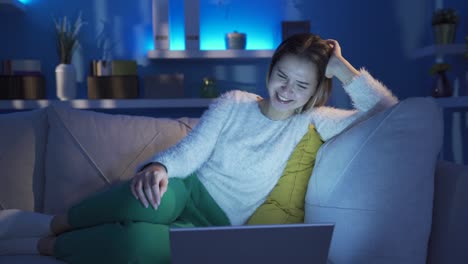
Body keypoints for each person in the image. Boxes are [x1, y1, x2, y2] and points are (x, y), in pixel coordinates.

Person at [0, 33, 398, 263]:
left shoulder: (312, 122)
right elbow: (191, 151)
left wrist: (342, 67)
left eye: (301, 85)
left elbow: (386, 112)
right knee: (140, 199)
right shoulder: (235, 102)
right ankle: (49, 222)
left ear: (315, 90)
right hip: (187, 189)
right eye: (281, 76)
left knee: (135, 244)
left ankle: (45, 245)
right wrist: (159, 168)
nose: (286, 90)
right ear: (269, 70)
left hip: (215, 224)